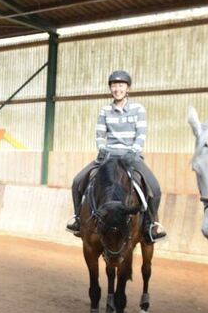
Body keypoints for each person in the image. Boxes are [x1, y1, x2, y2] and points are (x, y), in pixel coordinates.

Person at [67, 70, 167, 244]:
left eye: (121, 85)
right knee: (77, 182)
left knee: (155, 188)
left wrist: (133, 151)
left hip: (131, 157)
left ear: (128, 88)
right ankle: (78, 219)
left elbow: (141, 134)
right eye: (114, 85)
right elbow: (100, 135)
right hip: (107, 157)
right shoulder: (105, 110)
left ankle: (150, 226)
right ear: (110, 89)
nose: (117, 89)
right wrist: (102, 148)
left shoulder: (138, 109)